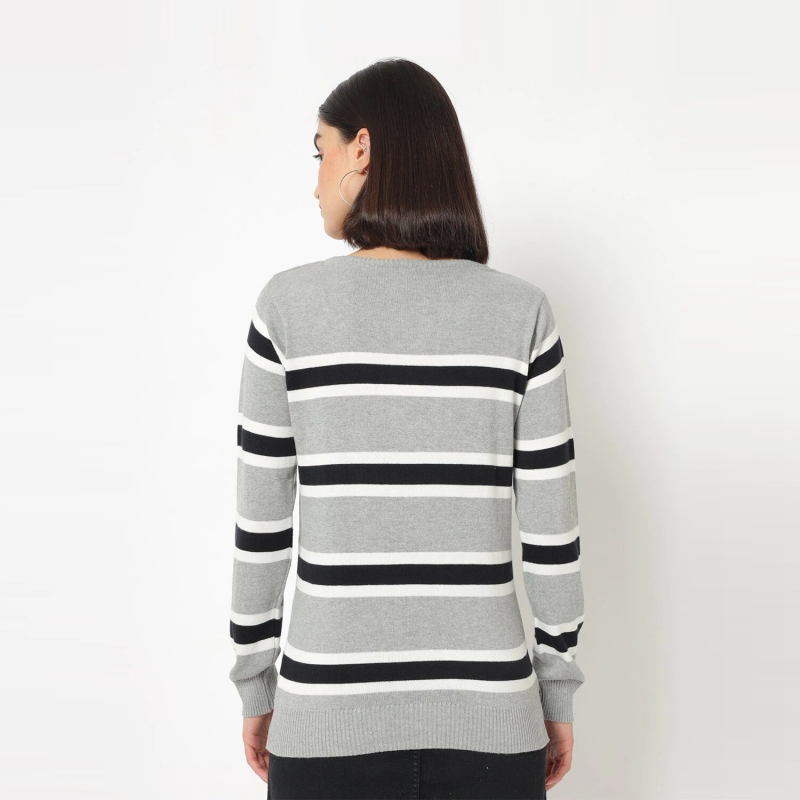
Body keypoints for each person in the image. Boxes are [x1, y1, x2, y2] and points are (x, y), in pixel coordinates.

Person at [228, 57, 586, 799]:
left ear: (361, 149)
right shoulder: (521, 314)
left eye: (320, 152)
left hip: (325, 720)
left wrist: (256, 683)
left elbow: (261, 529)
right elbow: (552, 535)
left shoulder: (286, 309)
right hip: (492, 724)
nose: (315, 181)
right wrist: (556, 691)